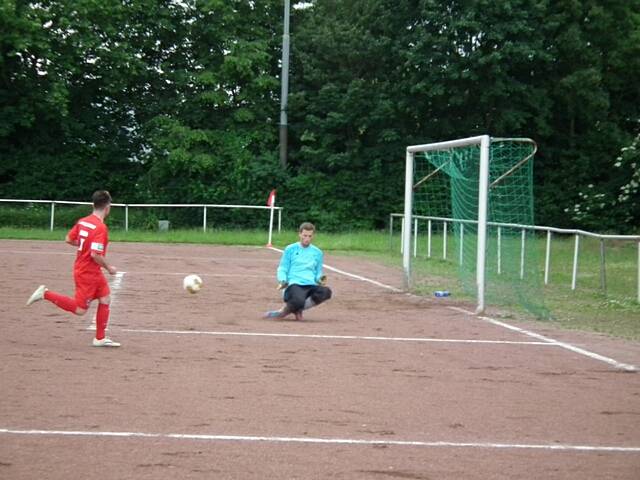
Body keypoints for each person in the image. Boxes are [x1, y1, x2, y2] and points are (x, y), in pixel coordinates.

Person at [26, 190, 121, 347]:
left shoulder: (83, 221)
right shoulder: (100, 228)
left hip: (91, 271)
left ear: (94, 204)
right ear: (107, 207)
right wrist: (109, 267)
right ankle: (45, 294)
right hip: (87, 272)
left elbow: (68, 239)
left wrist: (84, 246)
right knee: (79, 309)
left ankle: (100, 338)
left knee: (105, 298)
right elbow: (95, 255)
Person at [264, 222, 332, 320]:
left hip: (310, 284)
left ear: (313, 236)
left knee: (326, 292)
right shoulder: (290, 249)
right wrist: (282, 280)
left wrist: (320, 279)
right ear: (299, 234)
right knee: (298, 299)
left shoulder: (318, 253)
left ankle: (290, 310)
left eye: (310, 236)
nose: (307, 238)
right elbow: (283, 268)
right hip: (294, 284)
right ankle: (287, 311)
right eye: (305, 235)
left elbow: (318, 272)